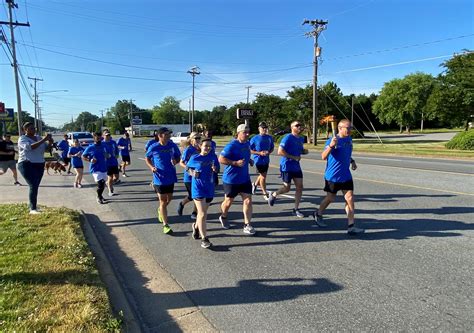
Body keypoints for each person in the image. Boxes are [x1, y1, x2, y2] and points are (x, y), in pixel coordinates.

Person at [313, 119, 364, 235]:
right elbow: (323, 156)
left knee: (350, 198)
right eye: (348, 128)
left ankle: (351, 226)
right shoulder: (333, 140)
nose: (350, 130)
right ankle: (318, 213)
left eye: (351, 128)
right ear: (340, 128)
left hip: (345, 175)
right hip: (333, 176)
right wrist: (331, 146)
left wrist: (352, 161)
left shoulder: (349, 139)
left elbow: (346, 154)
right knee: (330, 198)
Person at [218, 124, 256, 235]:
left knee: (248, 200)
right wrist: (234, 163)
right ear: (238, 133)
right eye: (245, 132)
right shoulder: (232, 145)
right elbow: (221, 159)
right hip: (231, 179)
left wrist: (249, 160)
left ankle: (247, 224)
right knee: (228, 201)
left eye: (248, 132)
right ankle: (223, 216)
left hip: (244, 178)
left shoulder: (247, 143)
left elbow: (246, 153)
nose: (247, 134)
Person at [267, 121, 308, 218]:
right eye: (297, 125)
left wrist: (303, 151)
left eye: (300, 125)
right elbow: (280, 151)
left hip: (296, 166)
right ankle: (274, 194)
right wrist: (293, 157)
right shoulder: (288, 137)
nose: (299, 127)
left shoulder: (301, 138)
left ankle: (296, 209)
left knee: (300, 187)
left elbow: (299, 149)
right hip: (286, 166)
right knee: (287, 188)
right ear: (292, 127)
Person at [145, 127, 181, 234]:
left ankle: (160, 209)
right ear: (160, 136)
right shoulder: (154, 147)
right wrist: (152, 167)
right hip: (159, 178)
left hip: (170, 176)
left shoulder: (172, 145)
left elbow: (178, 157)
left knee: (169, 199)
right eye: (167, 134)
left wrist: (176, 161)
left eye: (169, 134)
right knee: (163, 201)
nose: (169, 136)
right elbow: (147, 158)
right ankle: (165, 225)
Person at [186, 138, 220, 248]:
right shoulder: (195, 157)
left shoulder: (213, 157)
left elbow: (217, 169)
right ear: (200, 146)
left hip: (209, 187)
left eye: (210, 146)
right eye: (206, 145)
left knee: (203, 213)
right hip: (198, 188)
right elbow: (187, 169)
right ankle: (204, 238)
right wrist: (193, 173)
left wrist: (215, 169)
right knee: (202, 214)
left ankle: (196, 228)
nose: (208, 148)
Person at [17, 122, 53, 214]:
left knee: (35, 186)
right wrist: (44, 139)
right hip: (26, 164)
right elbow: (30, 147)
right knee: (33, 185)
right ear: (25, 130)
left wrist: (49, 142)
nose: (33, 130)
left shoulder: (38, 138)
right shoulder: (22, 139)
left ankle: (34, 206)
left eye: (34, 128)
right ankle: (32, 209)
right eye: (31, 128)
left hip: (39, 164)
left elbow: (46, 149)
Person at [177, 132, 201, 219]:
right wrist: (190, 170)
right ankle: (182, 203)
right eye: (196, 138)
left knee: (198, 195)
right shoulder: (188, 150)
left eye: (199, 138)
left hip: (199, 176)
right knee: (192, 196)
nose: (198, 140)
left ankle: (195, 212)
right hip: (189, 177)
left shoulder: (201, 149)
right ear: (191, 140)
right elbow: (181, 163)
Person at [250, 121, 274, 200]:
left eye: (265, 128)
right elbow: (249, 150)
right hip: (258, 160)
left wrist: (268, 152)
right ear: (259, 128)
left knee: (262, 175)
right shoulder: (254, 138)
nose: (264, 129)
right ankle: (264, 193)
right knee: (263, 177)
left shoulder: (269, 137)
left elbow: (272, 148)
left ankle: (255, 184)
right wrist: (259, 153)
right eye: (262, 128)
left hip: (266, 160)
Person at [83, 132, 109, 204]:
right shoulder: (90, 147)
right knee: (101, 183)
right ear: (94, 138)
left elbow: (106, 154)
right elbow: (83, 156)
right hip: (95, 168)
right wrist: (90, 160)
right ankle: (98, 197)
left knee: (103, 185)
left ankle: (100, 196)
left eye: (100, 137)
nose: (99, 139)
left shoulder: (103, 145)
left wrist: (107, 155)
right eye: (97, 138)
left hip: (103, 167)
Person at [102, 131, 120, 196]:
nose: (108, 136)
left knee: (117, 177)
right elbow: (100, 152)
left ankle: (108, 183)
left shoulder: (113, 142)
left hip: (114, 162)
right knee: (110, 177)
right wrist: (105, 155)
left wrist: (117, 154)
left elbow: (117, 150)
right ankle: (110, 191)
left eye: (109, 135)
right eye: (106, 135)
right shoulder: (102, 143)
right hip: (107, 163)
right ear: (103, 136)